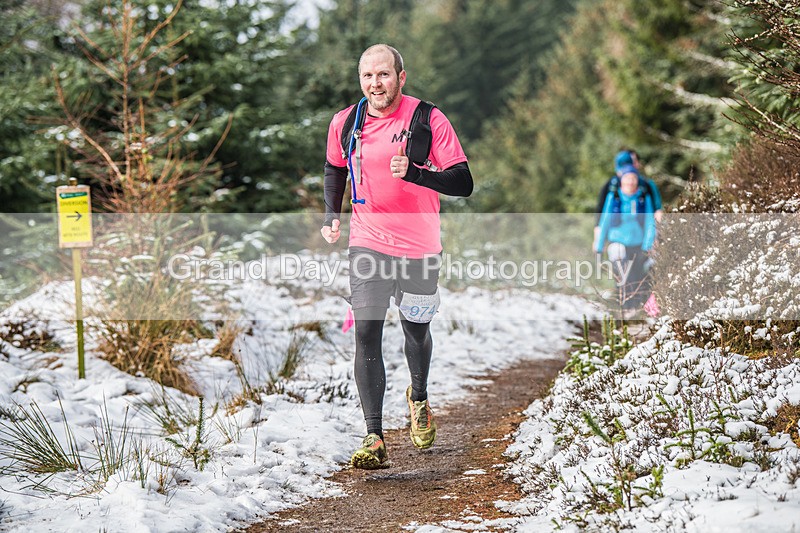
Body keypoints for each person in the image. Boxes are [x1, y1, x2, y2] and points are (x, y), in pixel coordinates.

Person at [320, 44, 473, 469]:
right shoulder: (346, 121)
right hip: (366, 241)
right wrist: (333, 214)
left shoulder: (428, 119)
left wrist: (418, 173)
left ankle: (418, 395)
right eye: (368, 76)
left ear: (401, 77)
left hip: (420, 247)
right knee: (366, 332)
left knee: (415, 331)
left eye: (384, 75)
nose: (375, 84)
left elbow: (464, 181)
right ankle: (374, 436)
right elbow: (335, 167)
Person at [595, 165, 656, 310]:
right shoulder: (614, 197)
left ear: (637, 180)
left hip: (638, 244)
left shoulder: (643, 198)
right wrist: (599, 247)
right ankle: (624, 308)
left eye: (633, 178)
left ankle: (636, 308)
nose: (630, 182)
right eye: (627, 178)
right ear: (622, 180)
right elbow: (605, 222)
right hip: (618, 243)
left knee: (637, 276)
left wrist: (647, 246)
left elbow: (649, 223)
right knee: (622, 276)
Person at [593, 149, 663, 251]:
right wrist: (598, 236)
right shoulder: (611, 187)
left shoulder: (646, 187)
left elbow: (656, 212)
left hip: (641, 238)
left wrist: (654, 238)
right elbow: (603, 214)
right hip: (617, 239)